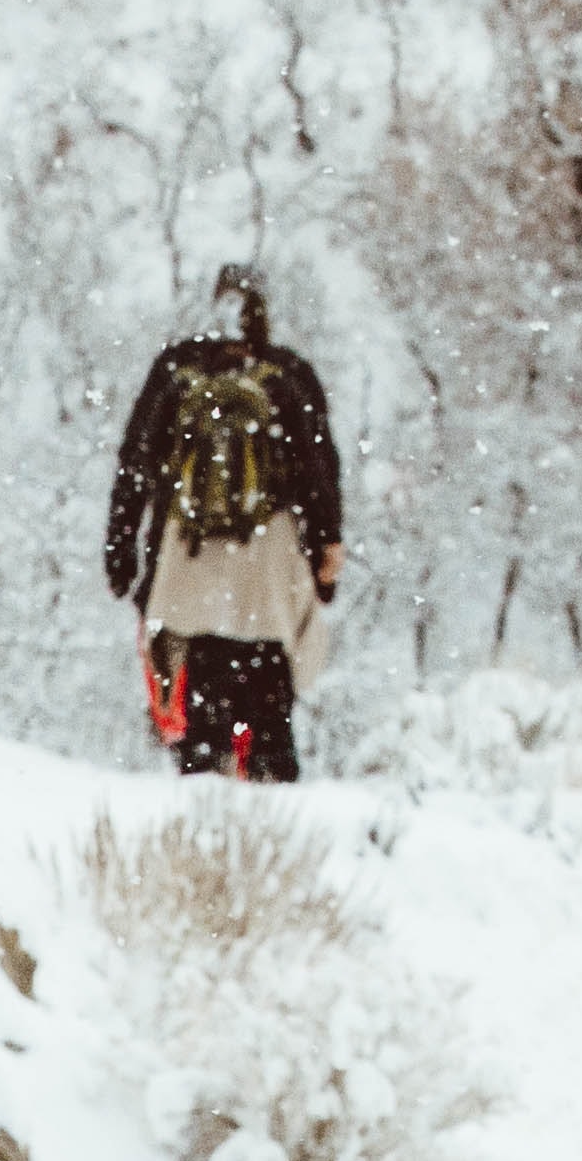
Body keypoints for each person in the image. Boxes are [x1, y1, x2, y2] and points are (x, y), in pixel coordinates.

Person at [103, 269, 346, 784]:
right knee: (268, 719)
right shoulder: (287, 373)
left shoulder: (177, 369)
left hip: (188, 565)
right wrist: (327, 554)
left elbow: (135, 461)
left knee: (202, 721)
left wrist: (122, 552)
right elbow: (318, 468)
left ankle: (204, 812)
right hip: (267, 570)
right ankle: (271, 812)